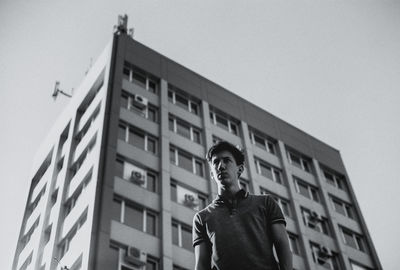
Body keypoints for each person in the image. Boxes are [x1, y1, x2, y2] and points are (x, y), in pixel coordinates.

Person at [192, 141, 292, 270]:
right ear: (212, 174)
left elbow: (282, 244)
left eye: (227, 160)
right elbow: (201, 264)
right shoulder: (202, 218)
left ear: (240, 169)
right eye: (216, 162)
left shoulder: (266, 203)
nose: (221, 166)